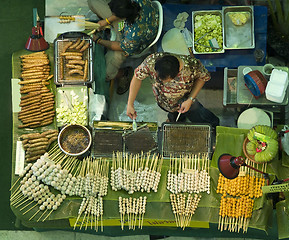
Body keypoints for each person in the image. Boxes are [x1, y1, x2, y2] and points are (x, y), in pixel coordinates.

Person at [126, 52, 220, 130]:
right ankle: (175, 120)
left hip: (186, 100)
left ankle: (214, 127)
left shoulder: (191, 66)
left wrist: (190, 99)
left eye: (167, 81)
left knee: (199, 115)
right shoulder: (151, 61)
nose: (162, 83)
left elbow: (203, 78)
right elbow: (137, 78)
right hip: (164, 102)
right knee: (174, 117)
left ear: (177, 74)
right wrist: (130, 104)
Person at [88, 0, 159, 94]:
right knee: (93, 2)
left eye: (114, 13)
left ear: (123, 15)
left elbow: (120, 46)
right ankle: (109, 26)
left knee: (105, 74)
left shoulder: (134, 35)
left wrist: (98, 40)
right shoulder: (133, 3)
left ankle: (123, 73)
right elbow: (122, 11)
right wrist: (107, 21)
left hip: (127, 43)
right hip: (127, 22)